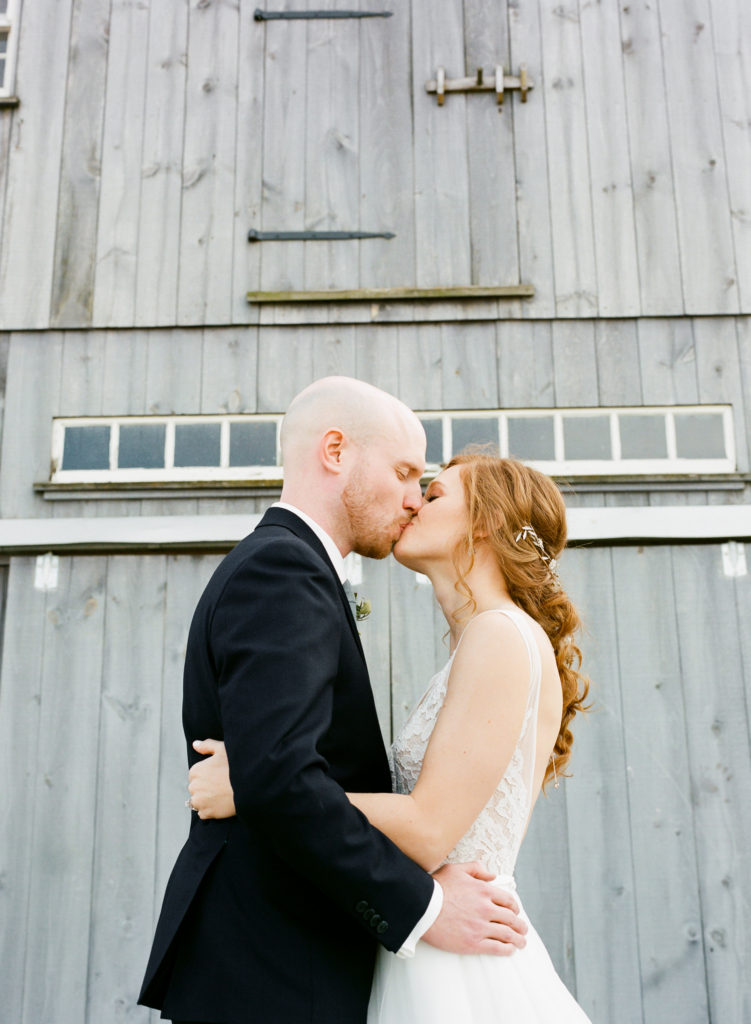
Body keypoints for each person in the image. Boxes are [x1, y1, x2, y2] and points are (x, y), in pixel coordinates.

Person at [138, 378, 527, 1024]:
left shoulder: (289, 568)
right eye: (405, 473)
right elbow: (282, 782)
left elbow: (270, 774)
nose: (413, 498)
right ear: (335, 451)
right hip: (271, 976)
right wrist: (425, 906)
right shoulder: (282, 573)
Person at [190, 452, 593, 1022]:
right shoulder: (481, 641)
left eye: (434, 495)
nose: (413, 503)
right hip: (424, 943)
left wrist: (254, 786)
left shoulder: (499, 634)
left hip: (458, 965)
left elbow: (428, 829)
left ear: (484, 522)